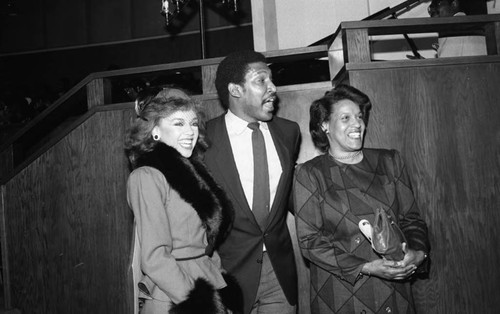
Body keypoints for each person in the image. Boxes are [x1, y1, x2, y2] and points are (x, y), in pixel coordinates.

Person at [293, 84, 430, 313]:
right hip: (341, 292)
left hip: (394, 289)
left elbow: (412, 219)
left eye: (359, 117)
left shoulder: (390, 161)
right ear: (325, 125)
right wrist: (367, 267)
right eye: (345, 118)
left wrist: (417, 253)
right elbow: (310, 242)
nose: (357, 124)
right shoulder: (310, 173)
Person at [125, 88, 241, 314]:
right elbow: (154, 258)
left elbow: (203, 243)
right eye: (179, 123)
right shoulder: (146, 176)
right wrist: (199, 303)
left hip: (205, 281)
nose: (190, 131)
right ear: (155, 130)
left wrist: (218, 280)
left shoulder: (194, 171)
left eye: (194, 123)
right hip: (175, 297)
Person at [204, 50, 300, 314]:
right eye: (261, 81)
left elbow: (293, 196)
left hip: (280, 274)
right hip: (225, 273)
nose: (273, 88)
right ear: (235, 90)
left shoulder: (289, 132)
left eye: (271, 79)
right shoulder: (203, 139)